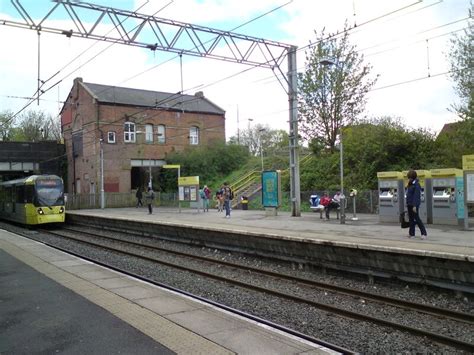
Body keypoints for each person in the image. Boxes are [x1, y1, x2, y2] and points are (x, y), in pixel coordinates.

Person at [406, 169, 427, 239]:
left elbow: (416, 196)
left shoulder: (417, 185)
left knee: (417, 219)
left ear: (413, 177)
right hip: (409, 204)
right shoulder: (410, 184)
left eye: (409, 177)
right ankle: (412, 234)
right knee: (411, 219)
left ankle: (424, 233)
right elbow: (409, 194)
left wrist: (415, 206)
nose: (409, 179)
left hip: (414, 205)